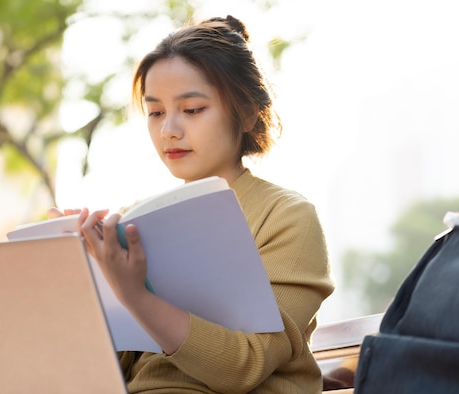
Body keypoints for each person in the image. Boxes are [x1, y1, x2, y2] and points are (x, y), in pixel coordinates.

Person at [49, 15, 335, 393]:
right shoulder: (140, 222)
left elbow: (245, 367)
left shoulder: (286, 216)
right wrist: (86, 274)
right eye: (155, 112)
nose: (169, 130)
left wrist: (136, 295)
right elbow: (104, 372)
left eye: (193, 109)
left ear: (247, 112)